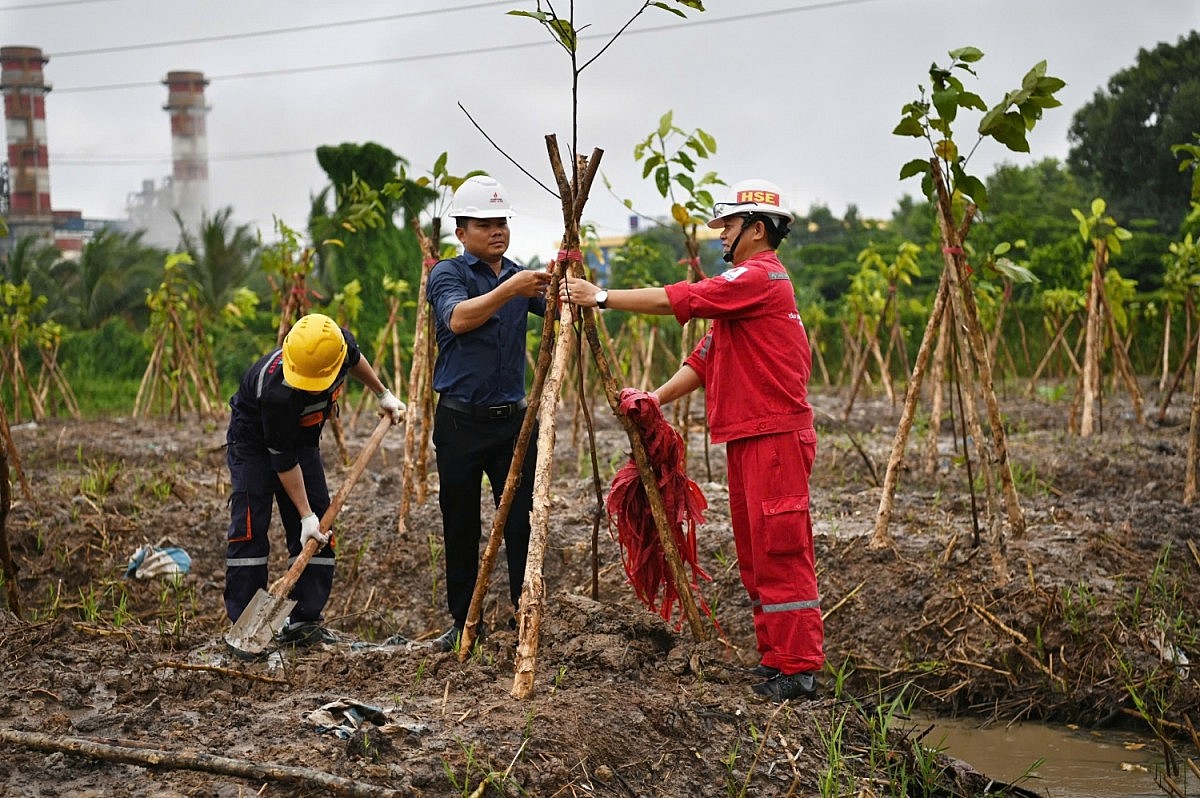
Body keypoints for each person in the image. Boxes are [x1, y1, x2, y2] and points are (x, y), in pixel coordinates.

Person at [560, 178, 824, 702]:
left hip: (774, 436)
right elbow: (706, 358)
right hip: (751, 438)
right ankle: (777, 662)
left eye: (728, 225)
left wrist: (603, 296)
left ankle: (797, 670)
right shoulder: (747, 295)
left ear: (757, 228)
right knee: (756, 552)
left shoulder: (759, 277)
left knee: (780, 551)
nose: (721, 235)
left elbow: (683, 298)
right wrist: (654, 400)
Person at [223, 312, 403, 647]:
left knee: (319, 527)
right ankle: (245, 626)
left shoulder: (336, 345)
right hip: (254, 445)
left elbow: (355, 358)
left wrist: (382, 393)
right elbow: (283, 460)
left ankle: (304, 621)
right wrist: (304, 515)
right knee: (250, 524)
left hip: (302, 440)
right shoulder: (277, 393)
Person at [426, 174, 551, 651]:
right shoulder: (448, 274)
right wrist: (510, 290)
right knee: (460, 523)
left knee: (522, 521)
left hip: (513, 423)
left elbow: (561, 308)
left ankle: (526, 616)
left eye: (502, 223)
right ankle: (464, 623)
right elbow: (458, 319)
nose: (497, 231)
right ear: (461, 232)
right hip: (460, 422)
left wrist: (564, 283)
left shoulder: (519, 275)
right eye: (485, 224)